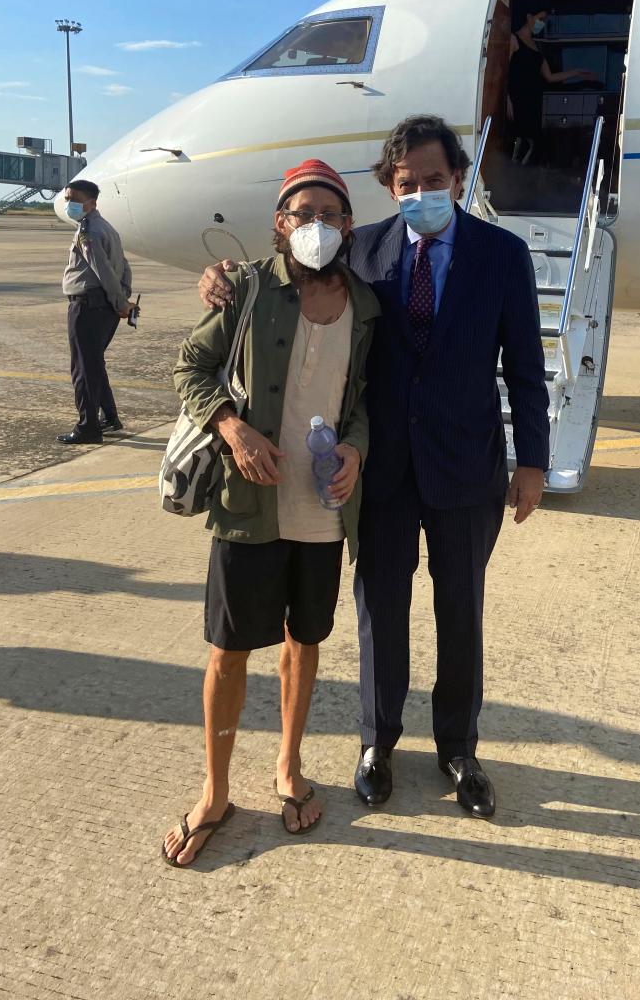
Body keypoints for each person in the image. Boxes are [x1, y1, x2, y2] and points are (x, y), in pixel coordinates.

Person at [199, 116, 549, 820]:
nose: (422, 191)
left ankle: (459, 748)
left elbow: (526, 368)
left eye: (435, 180)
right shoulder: (359, 250)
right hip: (380, 470)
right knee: (379, 611)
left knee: (461, 609)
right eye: (407, 182)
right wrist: (221, 278)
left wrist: (532, 461)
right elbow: (285, 269)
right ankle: (377, 741)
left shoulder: (503, 255)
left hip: (465, 468)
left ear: (459, 179)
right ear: (390, 189)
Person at [162, 160, 379, 867]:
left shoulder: (367, 307)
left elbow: (369, 402)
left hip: (321, 510)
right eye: (301, 213)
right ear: (279, 224)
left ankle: (288, 765)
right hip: (247, 504)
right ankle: (216, 789)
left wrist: (354, 447)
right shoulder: (247, 288)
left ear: (349, 225)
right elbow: (190, 367)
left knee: (304, 640)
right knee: (228, 651)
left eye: (329, 213)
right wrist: (232, 428)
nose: (315, 226)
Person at [57, 179, 136, 445]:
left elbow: (102, 268)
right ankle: (109, 417)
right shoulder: (108, 228)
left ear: (91, 202)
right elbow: (124, 268)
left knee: (83, 369)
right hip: (104, 308)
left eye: (74, 200)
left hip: (88, 306)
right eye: (68, 199)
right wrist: (121, 298)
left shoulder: (88, 230)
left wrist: (120, 302)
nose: (70, 204)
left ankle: (88, 427)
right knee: (94, 364)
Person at [508, 1, 592, 165]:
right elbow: (503, 72)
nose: (542, 23)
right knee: (520, 139)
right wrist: (507, 98)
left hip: (534, 99)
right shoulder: (514, 39)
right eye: (541, 18)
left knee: (533, 141)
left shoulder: (537, 46)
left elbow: (550, 76)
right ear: (529, 17)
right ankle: (514, 171)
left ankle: (525, 175)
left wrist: (576, 72)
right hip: (517, 98)